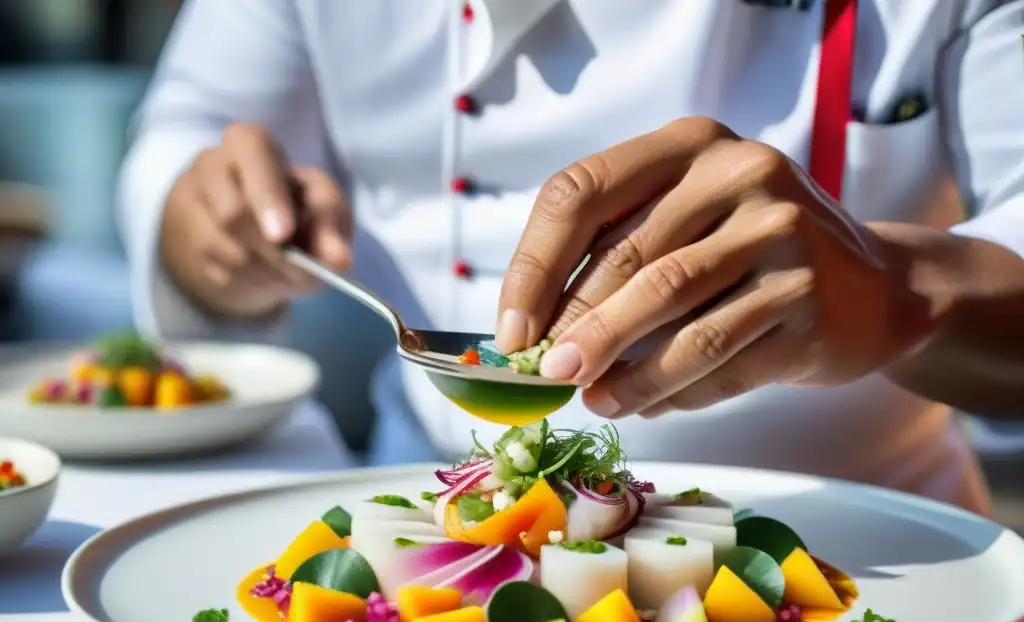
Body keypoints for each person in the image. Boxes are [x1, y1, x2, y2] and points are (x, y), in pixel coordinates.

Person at [118, 0, 1024, 515]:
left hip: (877, 562)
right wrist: (201, 225)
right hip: (423, 530)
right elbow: (191, 124)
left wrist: (901, 288)